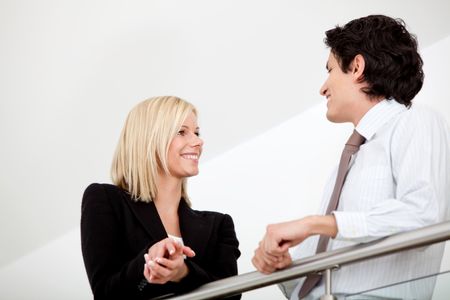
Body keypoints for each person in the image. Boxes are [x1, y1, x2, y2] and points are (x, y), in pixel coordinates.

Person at [252, 15, 450, 299]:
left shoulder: (417, 122)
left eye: (330, 69)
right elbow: (328, 259)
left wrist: (314, 224)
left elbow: (422, 215)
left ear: (356, 67)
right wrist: (285, 267)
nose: (323, 87)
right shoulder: (351, 159)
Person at [81, 96, 241, 300]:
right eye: (182, 132)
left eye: (197, 132)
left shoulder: (219, 225)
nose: (198, 141)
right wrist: (149, 262)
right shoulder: (105, 199)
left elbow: (230, 298)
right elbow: (106, 295)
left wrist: (182, 272)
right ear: (150, 139)